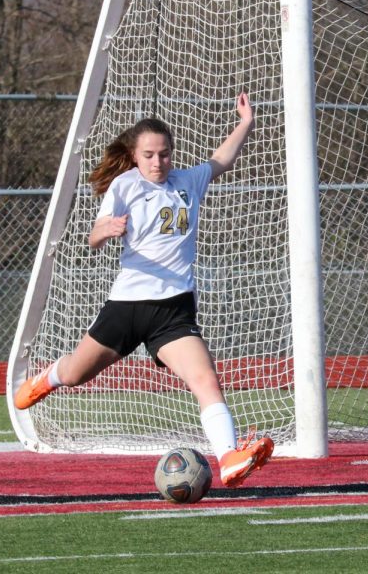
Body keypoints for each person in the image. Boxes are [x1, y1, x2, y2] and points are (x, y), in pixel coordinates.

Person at [15, 92, 272, 488]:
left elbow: (222, 160)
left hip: (173, 312)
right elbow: (93, 235)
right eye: (149, 155)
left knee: (205, 379)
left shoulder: (188, 181)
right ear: (135, 156)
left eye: (165, 154)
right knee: (77, 373)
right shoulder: (124, 186)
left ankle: (229, 458)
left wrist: (245, 123)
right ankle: (49, 377)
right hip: (128, 307)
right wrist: (107, 230)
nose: (158, 162)